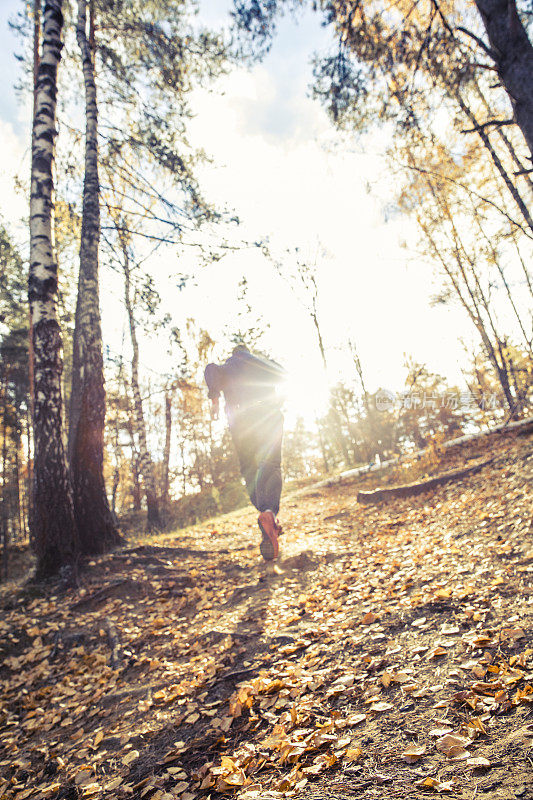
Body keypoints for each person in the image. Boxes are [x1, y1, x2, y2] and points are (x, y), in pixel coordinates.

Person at [204, 344, 285, 560]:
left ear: (234, 354)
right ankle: (269, 513)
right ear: (248, 350)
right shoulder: (259, 362)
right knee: (271, 464)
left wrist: (214, 399)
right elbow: (282, 374)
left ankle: (265, 516)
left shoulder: (227, 367)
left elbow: (211, 369)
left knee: (249, 468)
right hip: (268, 416)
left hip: (240, 422)